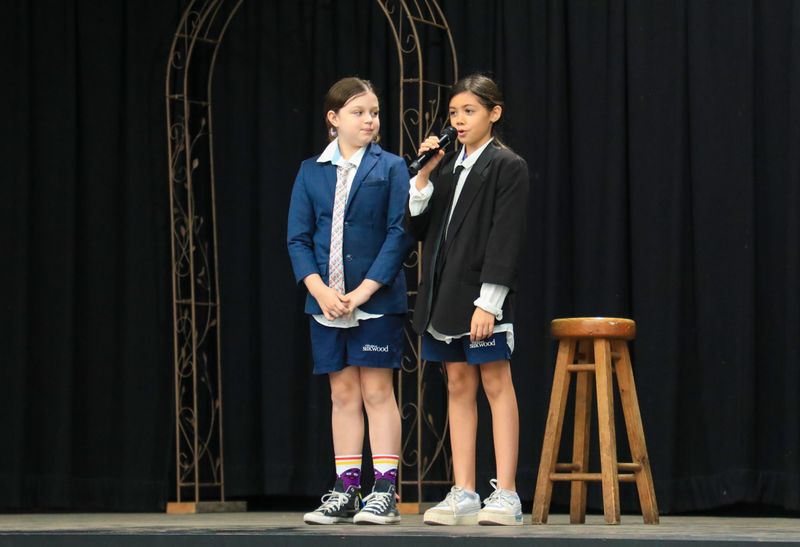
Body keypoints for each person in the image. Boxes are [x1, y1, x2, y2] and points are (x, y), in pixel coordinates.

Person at [287, 77, 413, 525]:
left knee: (376, 390)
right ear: (334, 118)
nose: (369, 120)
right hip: (326, 304)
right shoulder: (311, 171)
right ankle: (346, 489)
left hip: (375, 300)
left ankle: (384, 490)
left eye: (374, 112)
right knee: (342, 393)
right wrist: (319, 290)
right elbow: (298, 238)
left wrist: (363, 291)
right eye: (359, 112)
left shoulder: (391, 167)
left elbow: (399, 234)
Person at [405, 74, 530, 526]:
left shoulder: (507, 165)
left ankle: (507, 492)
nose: (459, 120)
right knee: (458, 385)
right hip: (444, 298)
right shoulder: (446, 167)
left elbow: (505, 237)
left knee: (496, 384)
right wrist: (423, 175)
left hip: (482, 299)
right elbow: (419, 230)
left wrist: (488, 302)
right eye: (454, 113)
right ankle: (464, 490)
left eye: (469, 111)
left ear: (494, 114)